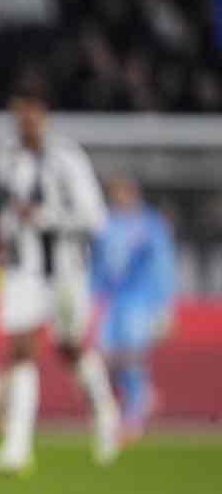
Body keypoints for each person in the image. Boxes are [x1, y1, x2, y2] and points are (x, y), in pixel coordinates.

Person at [0, 78, 119, 473]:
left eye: (31, 110)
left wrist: (46, 218)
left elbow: (95, 218)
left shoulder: (67, 159)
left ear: (45, 114)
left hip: (64, 271)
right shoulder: (5, 158)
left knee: (69, 347)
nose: (25, 118)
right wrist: (7, 232)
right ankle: (17, 445)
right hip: (23, 270)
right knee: (20, 347)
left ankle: (104, 411)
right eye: (19, 110)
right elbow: (11, 209)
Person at [92, 176, 175, 443]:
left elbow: (162, 266)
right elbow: (96, 263)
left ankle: (133, 415)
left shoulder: (151, 224)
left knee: (131, 356)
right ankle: (137, 397)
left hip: (139, 299)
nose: (118, 198)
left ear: (133, 193)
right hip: (110, 300)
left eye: (122, 192)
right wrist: (91, 296)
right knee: (105, 359)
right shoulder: (104, 223)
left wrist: (164, 307)